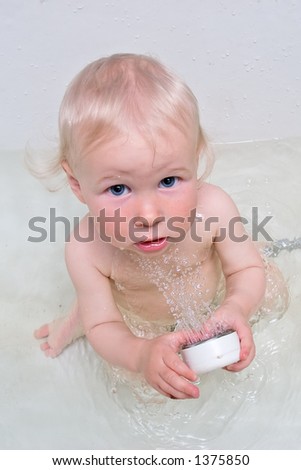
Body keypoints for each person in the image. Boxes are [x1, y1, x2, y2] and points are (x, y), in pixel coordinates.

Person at [34, 53, 288, 400]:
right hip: (143, 323)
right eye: (118, 189)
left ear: (195, 159)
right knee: (121, 364)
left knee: (270, 287)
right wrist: (140, 354)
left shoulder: (212, 208)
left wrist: (237, 306)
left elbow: (244, 268)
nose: (149, 215)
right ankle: (79, 313)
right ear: (76, 184)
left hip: (213, 298)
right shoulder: (86, 249)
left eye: (169, 180)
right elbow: (104, 326)